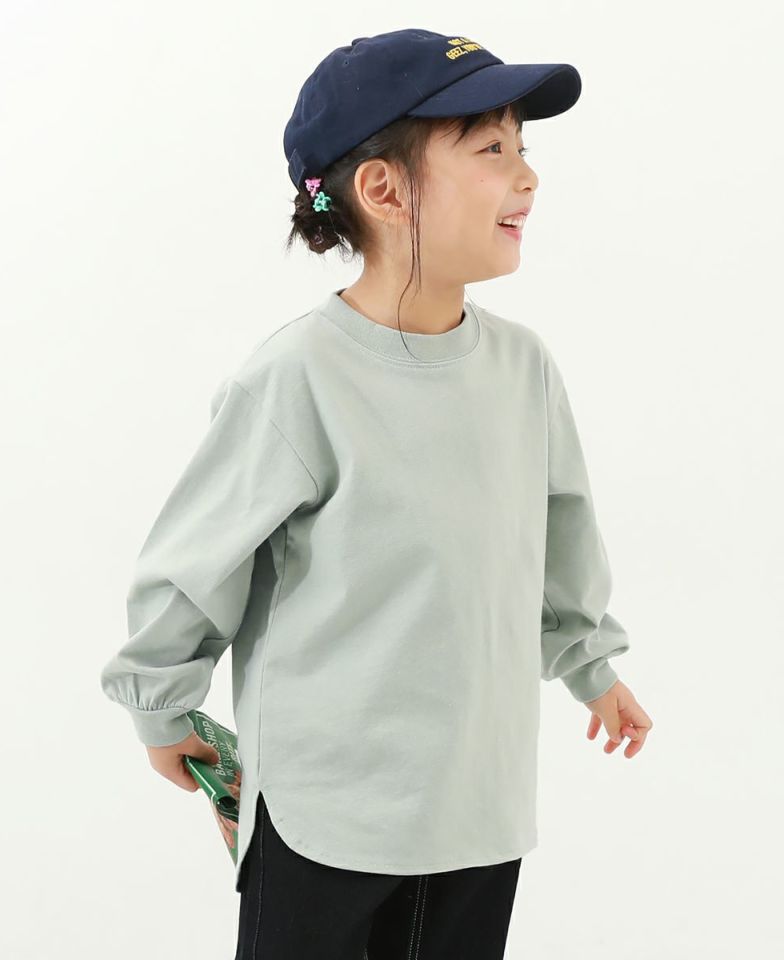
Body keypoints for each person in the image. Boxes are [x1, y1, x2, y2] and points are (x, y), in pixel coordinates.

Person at [100, 27, 653, 960]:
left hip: (478, 808)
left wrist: (592, 666)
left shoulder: (523, 369)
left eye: (523, 147)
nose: (527, 176)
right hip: (326, 814)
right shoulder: (298, 379)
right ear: (385, 191)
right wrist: (161, 705)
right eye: (491, 149)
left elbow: (559, 540)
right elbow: (197, 561)